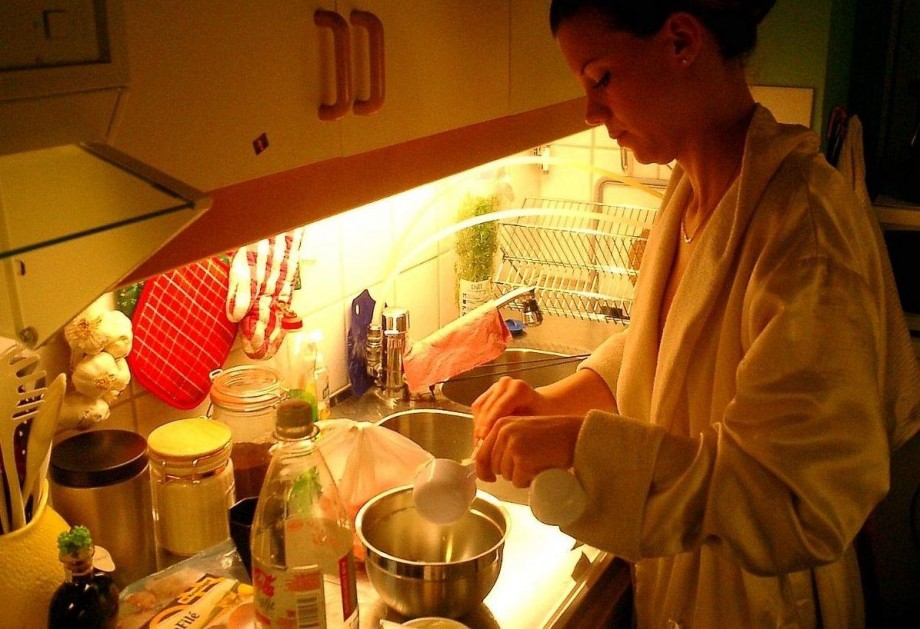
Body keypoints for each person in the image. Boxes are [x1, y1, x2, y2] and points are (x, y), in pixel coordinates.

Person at [471, 1, 920, 626]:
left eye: (601, 78)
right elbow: (670, 347)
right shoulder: (691, 194)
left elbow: (798, 498)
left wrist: (583, 444)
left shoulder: (803, 229)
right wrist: (564, 399)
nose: (590, 112)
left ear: (681, 40)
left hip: (766, 605)